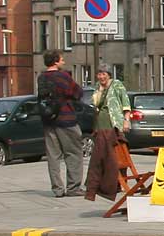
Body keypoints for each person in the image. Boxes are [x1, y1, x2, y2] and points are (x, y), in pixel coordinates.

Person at [37, 49, 85, 197]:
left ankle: (57, 188)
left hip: (48, 119)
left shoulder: (41, 77)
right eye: (62, 59)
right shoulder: (63, 76)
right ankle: (73, 187)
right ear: (56, 61)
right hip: (66, 119)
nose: (63, 61)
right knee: (73, 153)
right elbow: (77, 92)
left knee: (53, 155)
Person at [84, 64, 131, 201]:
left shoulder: (117, 85)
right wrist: (99, 91)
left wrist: (126, 120)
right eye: (99, 74)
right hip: (101, 125)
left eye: (103, 74)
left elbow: (125, 102)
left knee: (115, 153)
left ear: (109, 74)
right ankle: (104, 183)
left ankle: (117, 183)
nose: (101, 77)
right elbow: (95, 103)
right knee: (102, 154)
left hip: (114, 124)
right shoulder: (97, 88)